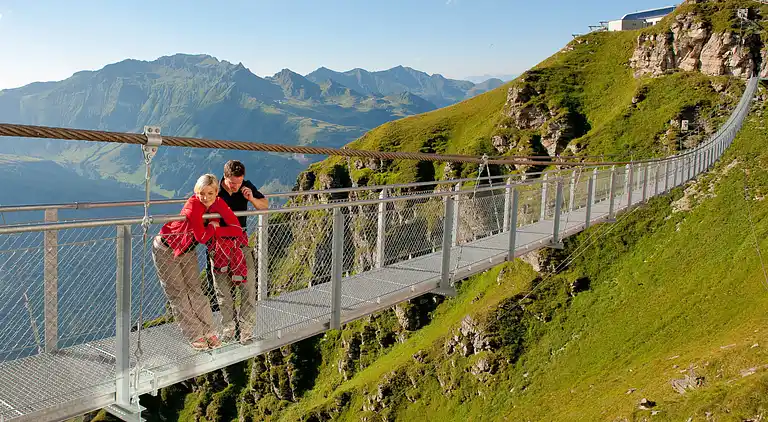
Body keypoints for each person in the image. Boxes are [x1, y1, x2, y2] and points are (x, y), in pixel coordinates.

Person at [152, 173, 244, 351]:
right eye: (202, 193)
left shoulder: (218, 203)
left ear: (217, 192)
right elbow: (202, 237)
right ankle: (195, 334)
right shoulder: (193, 206)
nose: (206, 198)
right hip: (166, 248)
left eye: (210, 193)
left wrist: (216, 231)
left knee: (195, 290)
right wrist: (213, 227)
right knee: (179, 293)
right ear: (197, 192)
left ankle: (209, 332)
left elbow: (237, 229)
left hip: (187, 249)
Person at [205, 160, 268, 344]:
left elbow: (265, 205)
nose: (236, 186)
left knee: (248, 287)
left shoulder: (246, 187)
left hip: (240, 244)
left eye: (239, 182)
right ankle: (229, 329)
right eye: (232, 183)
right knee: (223, 291)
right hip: (218, 245)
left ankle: (246, 330)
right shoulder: (214, 188)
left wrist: (251, 199)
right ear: (224, 177)